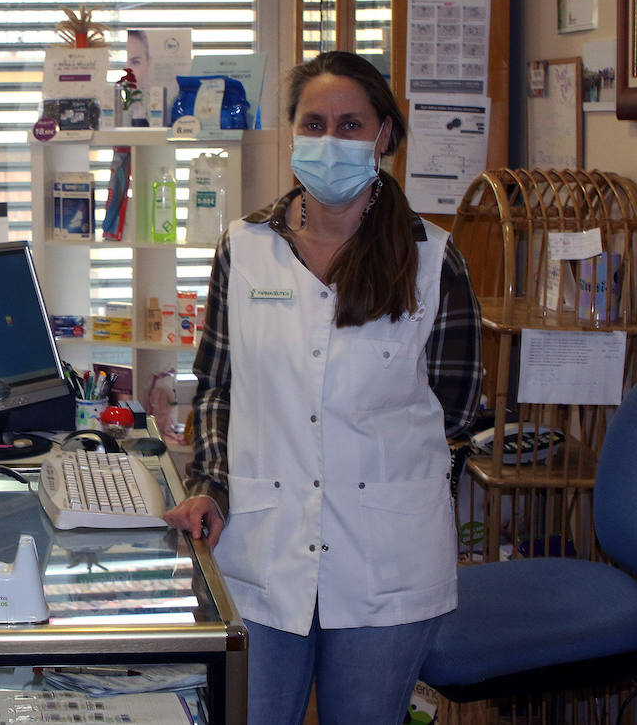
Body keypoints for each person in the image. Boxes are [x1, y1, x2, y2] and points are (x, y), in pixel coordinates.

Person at [163, 50, 483, 724]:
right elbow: (217, 385)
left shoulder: (432, 259)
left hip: (385, 563)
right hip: (262, 548)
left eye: (350, 124)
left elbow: (456, 408)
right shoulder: (244, 248)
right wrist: (211, 485)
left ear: (384, 136)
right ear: (292, 133)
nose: (329, 141)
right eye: (314, 124)